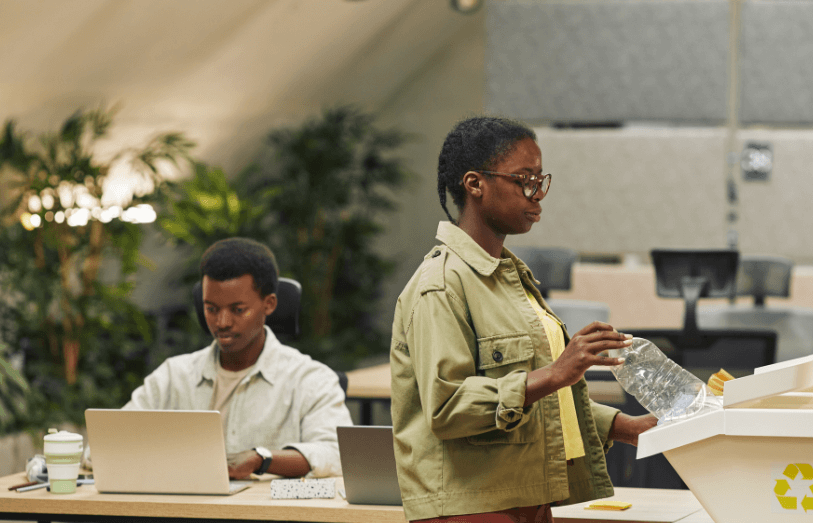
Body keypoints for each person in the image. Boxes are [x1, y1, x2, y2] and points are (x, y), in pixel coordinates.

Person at [390, 116, 658, 522]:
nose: (537, 196)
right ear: (475, 184)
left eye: (540, 180)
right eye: (524, 180)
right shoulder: (441, 285)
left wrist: (626, 427)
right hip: (472, 507)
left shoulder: (509, 277)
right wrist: (556, 373)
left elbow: (535, 400)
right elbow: (448, 407)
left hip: (527, 501)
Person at [120, 237, 353, 479]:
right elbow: (107, 444)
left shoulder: (311, 379)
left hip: (268, 515)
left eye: (238, 310)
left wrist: (261, 459)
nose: (222, 323)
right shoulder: (173, 376)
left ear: (269, 304)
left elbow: (336, 455)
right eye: (211, 309)